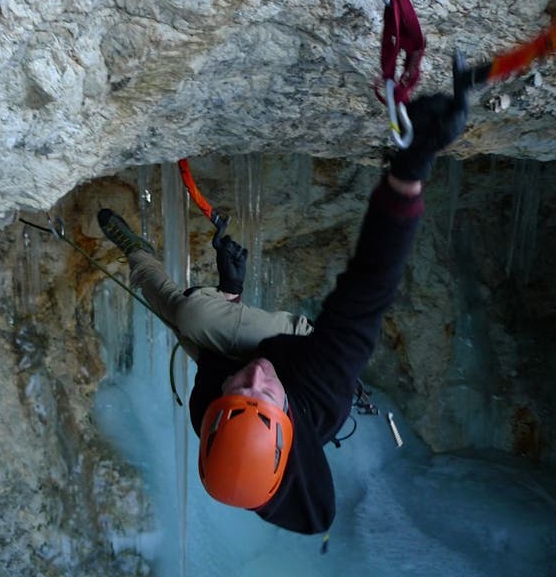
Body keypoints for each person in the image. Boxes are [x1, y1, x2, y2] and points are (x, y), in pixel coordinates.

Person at [97, 52, 470, 535]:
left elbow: (227, 368)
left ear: (215, 415)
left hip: (247, 372)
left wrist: (230, 292)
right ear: (287, 420)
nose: (253, 377)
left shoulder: (208, 410)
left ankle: (138, 255)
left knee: (181, 314)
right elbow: (370, 285)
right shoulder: (324, 380)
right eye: (265, 396)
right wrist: (411, 167)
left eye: (239, 392)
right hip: (296, 346)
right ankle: (175, 284)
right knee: (192, 316)